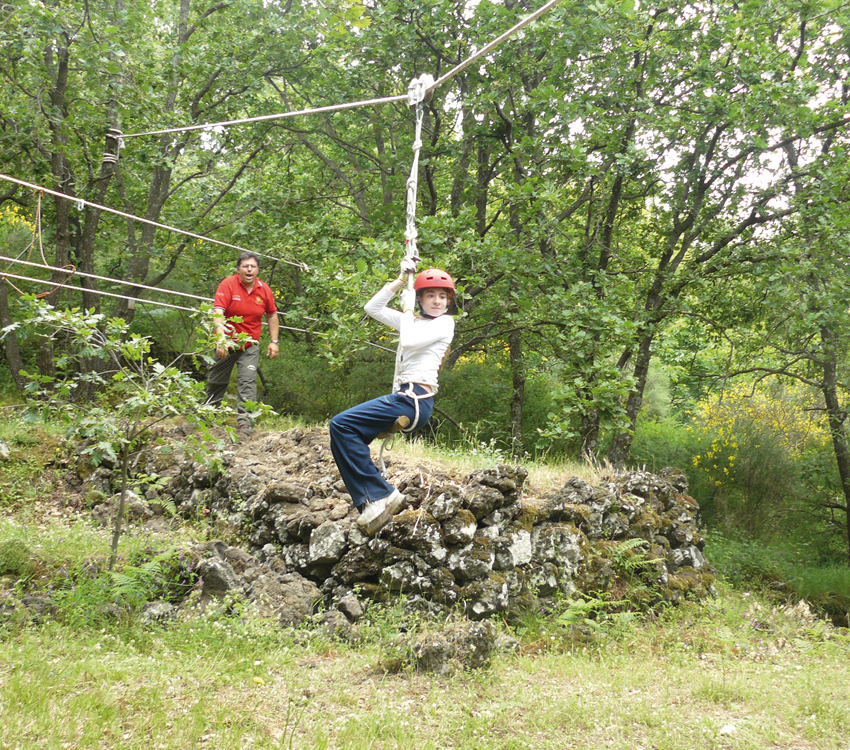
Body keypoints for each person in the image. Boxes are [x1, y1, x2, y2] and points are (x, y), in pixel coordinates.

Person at [330, 260, 456, 535]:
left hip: (415, 401)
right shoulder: (413, 321)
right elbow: (371, 308)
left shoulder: (446, 323)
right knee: (347, 433)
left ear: (448, 303)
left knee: (341, 424)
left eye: (443, 296)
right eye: (431, 295)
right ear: (421, 297)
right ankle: (372, 500)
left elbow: (409, 341)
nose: (437, 301)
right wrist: (400, 280)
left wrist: (408, 307)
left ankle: (379, 495)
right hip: (405, 397)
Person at [206, 252, 279, 435]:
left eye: (253, 267)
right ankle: (207, 414)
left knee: (247, 381)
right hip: (227, 340)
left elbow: (271, 314)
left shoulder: (264, 290)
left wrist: (274, 341)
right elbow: (218, 311)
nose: (249, 270)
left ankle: (245, 422)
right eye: (245, 266)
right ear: (238, 269)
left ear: (257, 270)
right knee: (217, 379)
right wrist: (220, 338)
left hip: (250, 343)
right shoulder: (228, 284)